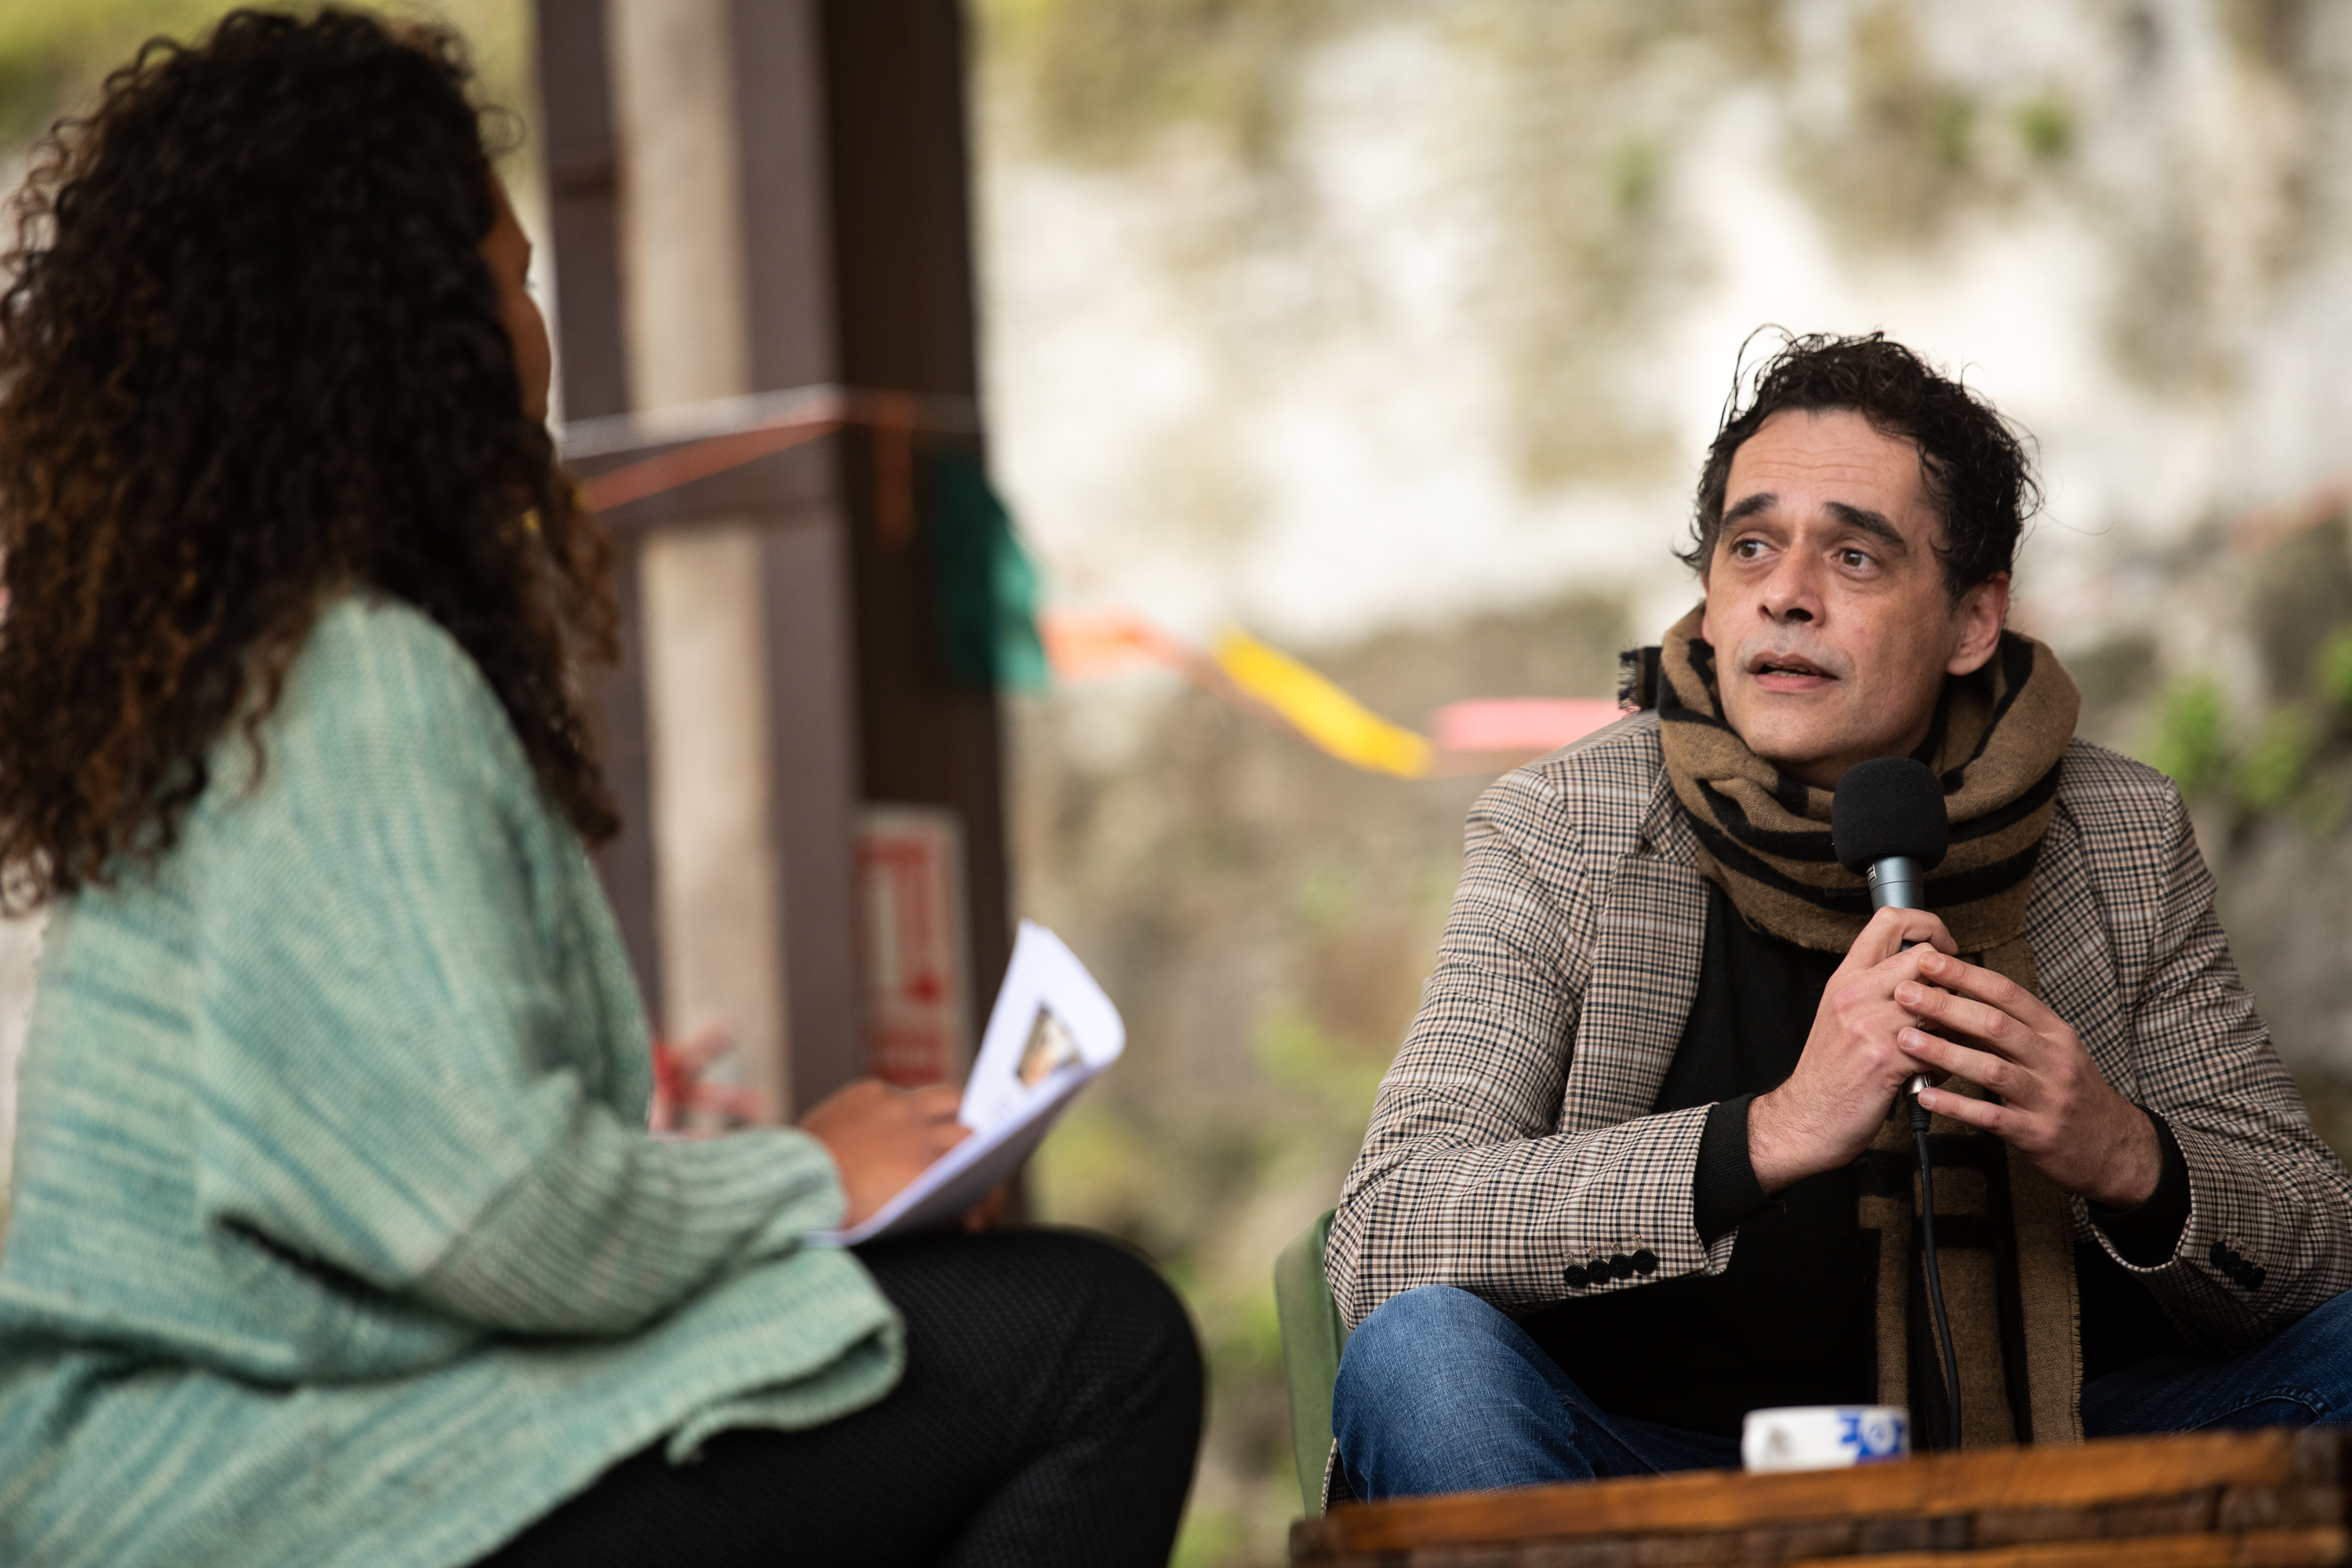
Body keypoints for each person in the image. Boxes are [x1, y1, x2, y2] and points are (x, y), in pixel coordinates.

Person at [0, 13, 1199, 1567]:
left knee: (895, 1342)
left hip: (234, 1457)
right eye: (510, 278)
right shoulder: (355, 683)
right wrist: (805, 1181)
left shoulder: (230, 684)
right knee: (1093, 1342)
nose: (538, 330)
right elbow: (486, 1219)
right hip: (248, 1489)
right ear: (405, 326)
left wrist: (807, 1200)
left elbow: (426, 1205)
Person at [1325, 331, 2352, 1501]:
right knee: (1423, 1361)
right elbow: (1389, 1229)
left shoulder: (2115, 831)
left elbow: (2319, 1238)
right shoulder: (1570, 825)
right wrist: (1767, 1135)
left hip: (2065, 1453)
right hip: (1659, 1469)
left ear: (1973, 618)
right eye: (1750, 547)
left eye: (1854, 557)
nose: (1786, 595)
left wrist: (2122, 1152)